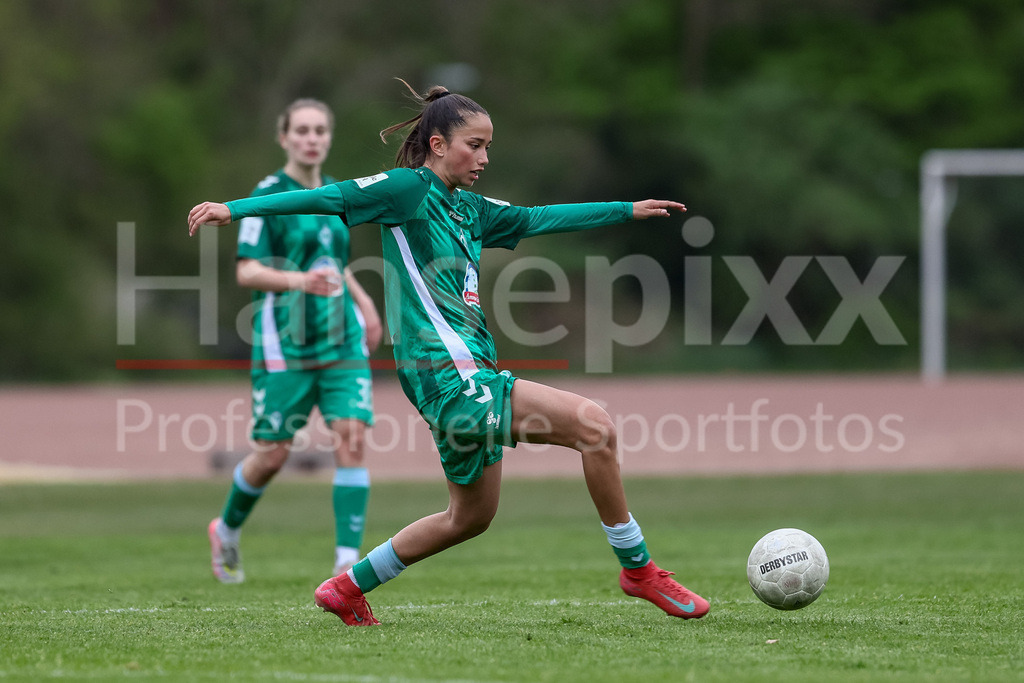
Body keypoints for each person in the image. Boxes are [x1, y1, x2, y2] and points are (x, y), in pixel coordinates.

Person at [189, 81, 709, 622]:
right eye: (474, 145)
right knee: (594, 428)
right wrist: (234, 209)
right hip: (448, 375)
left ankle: (346, 587)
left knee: (469, 517)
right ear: (437, 145)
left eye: (488, 147)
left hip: (464, 373)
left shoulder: (470, 208)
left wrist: (625, 210)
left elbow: (538, 217)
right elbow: (328, 197)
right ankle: (638, 570)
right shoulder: (406, 189)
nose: (484, 158)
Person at [206, 98, 383, 584]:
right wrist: (300, 281)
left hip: (341, 337)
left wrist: (365, 303)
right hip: (286, 343)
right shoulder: (268, 195)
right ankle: (226, 528)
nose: (311, 138)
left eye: (319, 130)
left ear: (329, 137)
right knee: (273, 454)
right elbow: (247, 271)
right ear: (284, 138)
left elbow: (336, 263)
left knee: (352, 437)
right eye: (302, 130)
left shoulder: (338, 194)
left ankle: (346, 565)